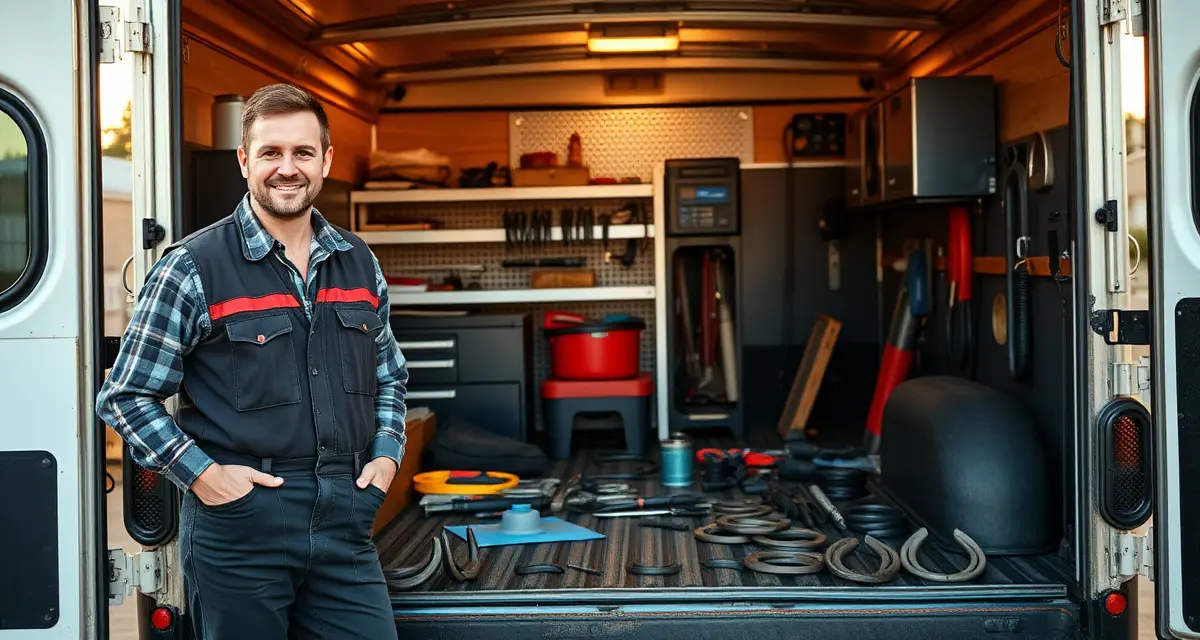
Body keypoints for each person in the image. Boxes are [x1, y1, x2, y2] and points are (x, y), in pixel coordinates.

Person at [96, 83, 407, 639]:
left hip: (345, 523)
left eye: (302, 153)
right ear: (244, 161)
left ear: (326, 161)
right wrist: (205, 477)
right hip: (241, 530)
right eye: (270, 153)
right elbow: (125, 396)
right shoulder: (192, 267)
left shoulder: (358, 262)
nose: (287, 169)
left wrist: (385, 457)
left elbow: (389, 377)